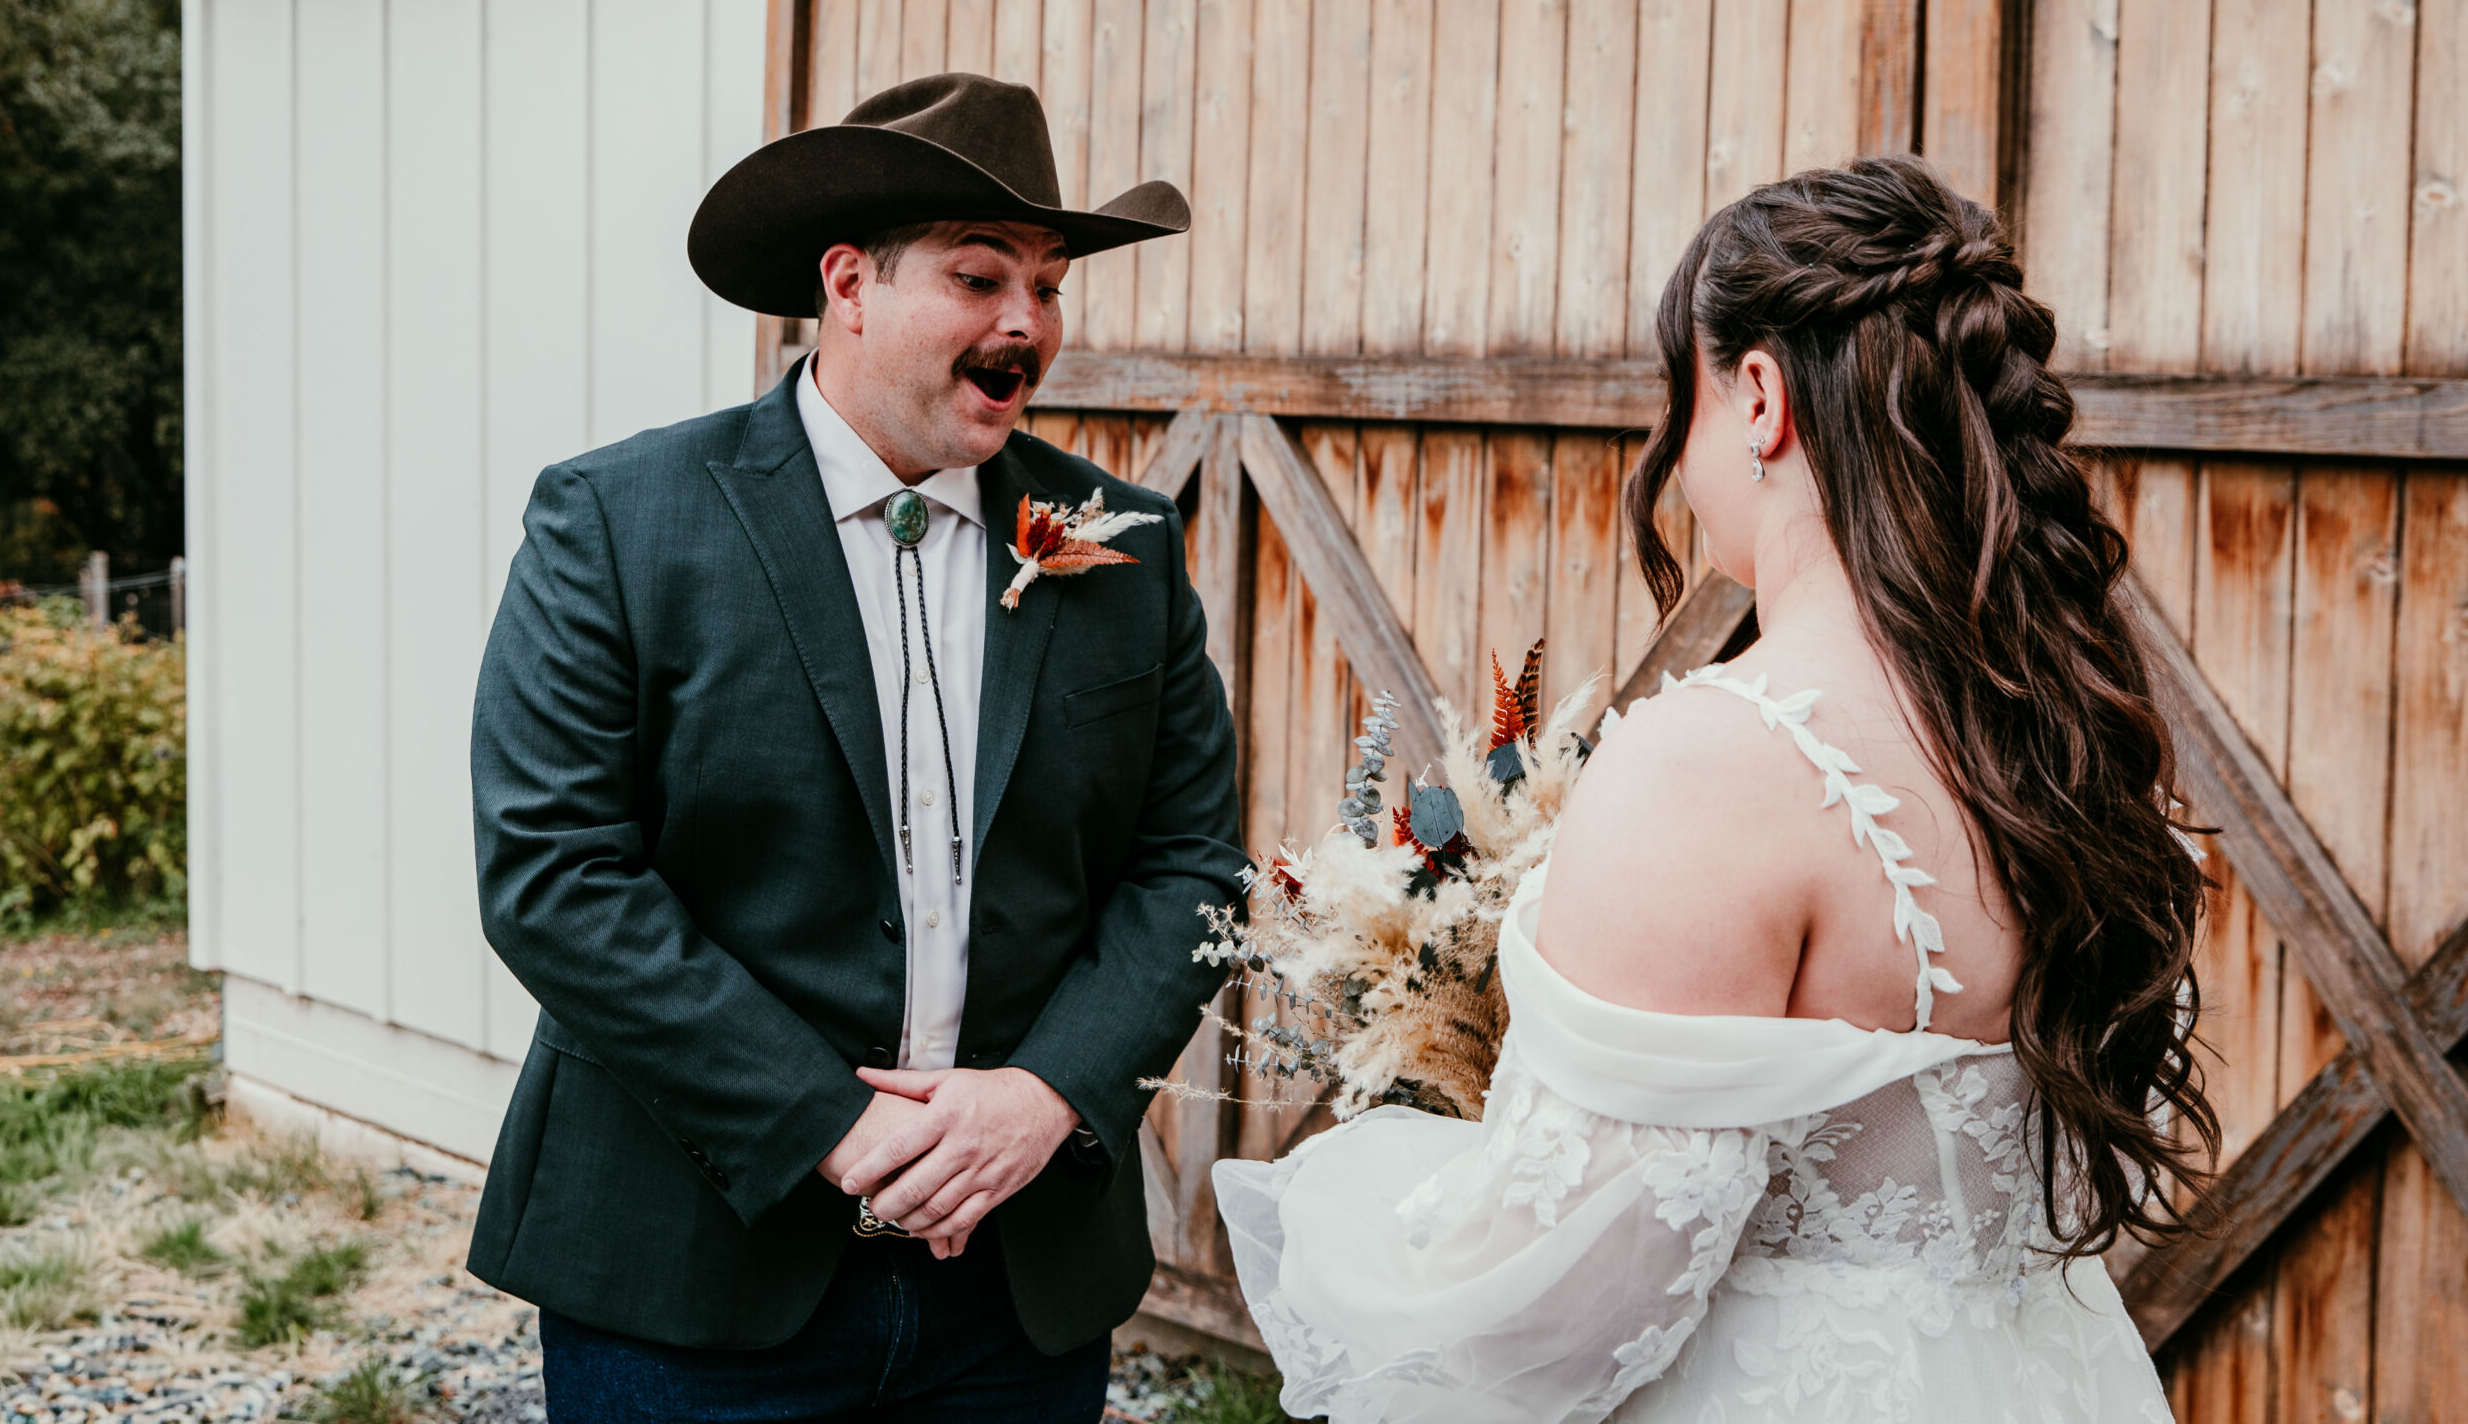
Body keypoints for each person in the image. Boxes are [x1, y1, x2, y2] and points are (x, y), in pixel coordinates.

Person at [1216, 156, 2214, 1422]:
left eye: (1672, 404)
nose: (1674, 466)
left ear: (1757, 397)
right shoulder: (2070, 740)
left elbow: (1557, 1326)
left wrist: (1374, 1207)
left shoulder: (1716, 763)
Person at [467, 72, 1244, 1421]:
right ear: (850, 285)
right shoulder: (617, 523)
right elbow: (555, 873)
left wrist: (1049, 1092)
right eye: (981, 275)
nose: (1028, 323)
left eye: (1049, 285)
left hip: (1015, 1289)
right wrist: (836, 1122)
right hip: (692, 1286)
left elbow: (1190, 861)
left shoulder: (1118, 542)